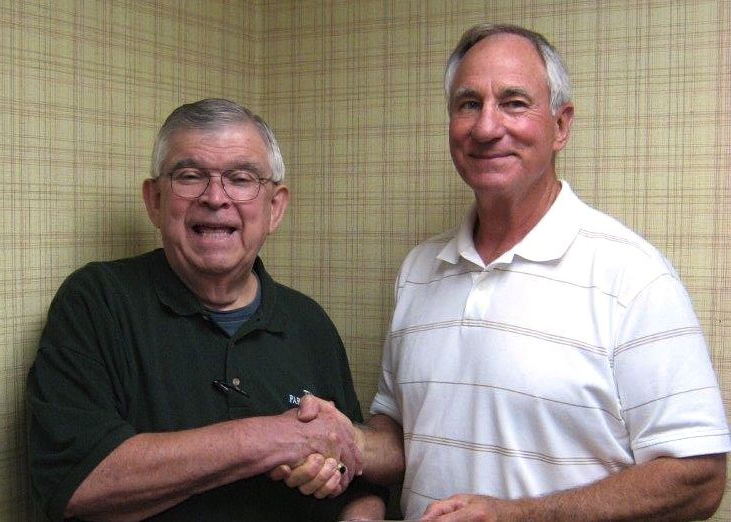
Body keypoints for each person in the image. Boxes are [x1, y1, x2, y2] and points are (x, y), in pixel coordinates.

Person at [278, 24, 730, 521]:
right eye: (468, 104)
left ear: (561, 125)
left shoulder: (631, 276)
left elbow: (700, 478)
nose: (486, 127)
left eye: (514, 102)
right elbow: (405, 436)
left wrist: (522, 515)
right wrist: (349, 442)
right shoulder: (419, 271)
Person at [26, 98, 386, 521]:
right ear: (155, 201)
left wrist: (361, 511)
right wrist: (267, 439)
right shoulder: (97, 302)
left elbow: (357, 478)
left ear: (275, 207)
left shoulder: (309, 322)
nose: (215, 197)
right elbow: (76, 483)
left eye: (241, 178)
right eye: (190, 176)